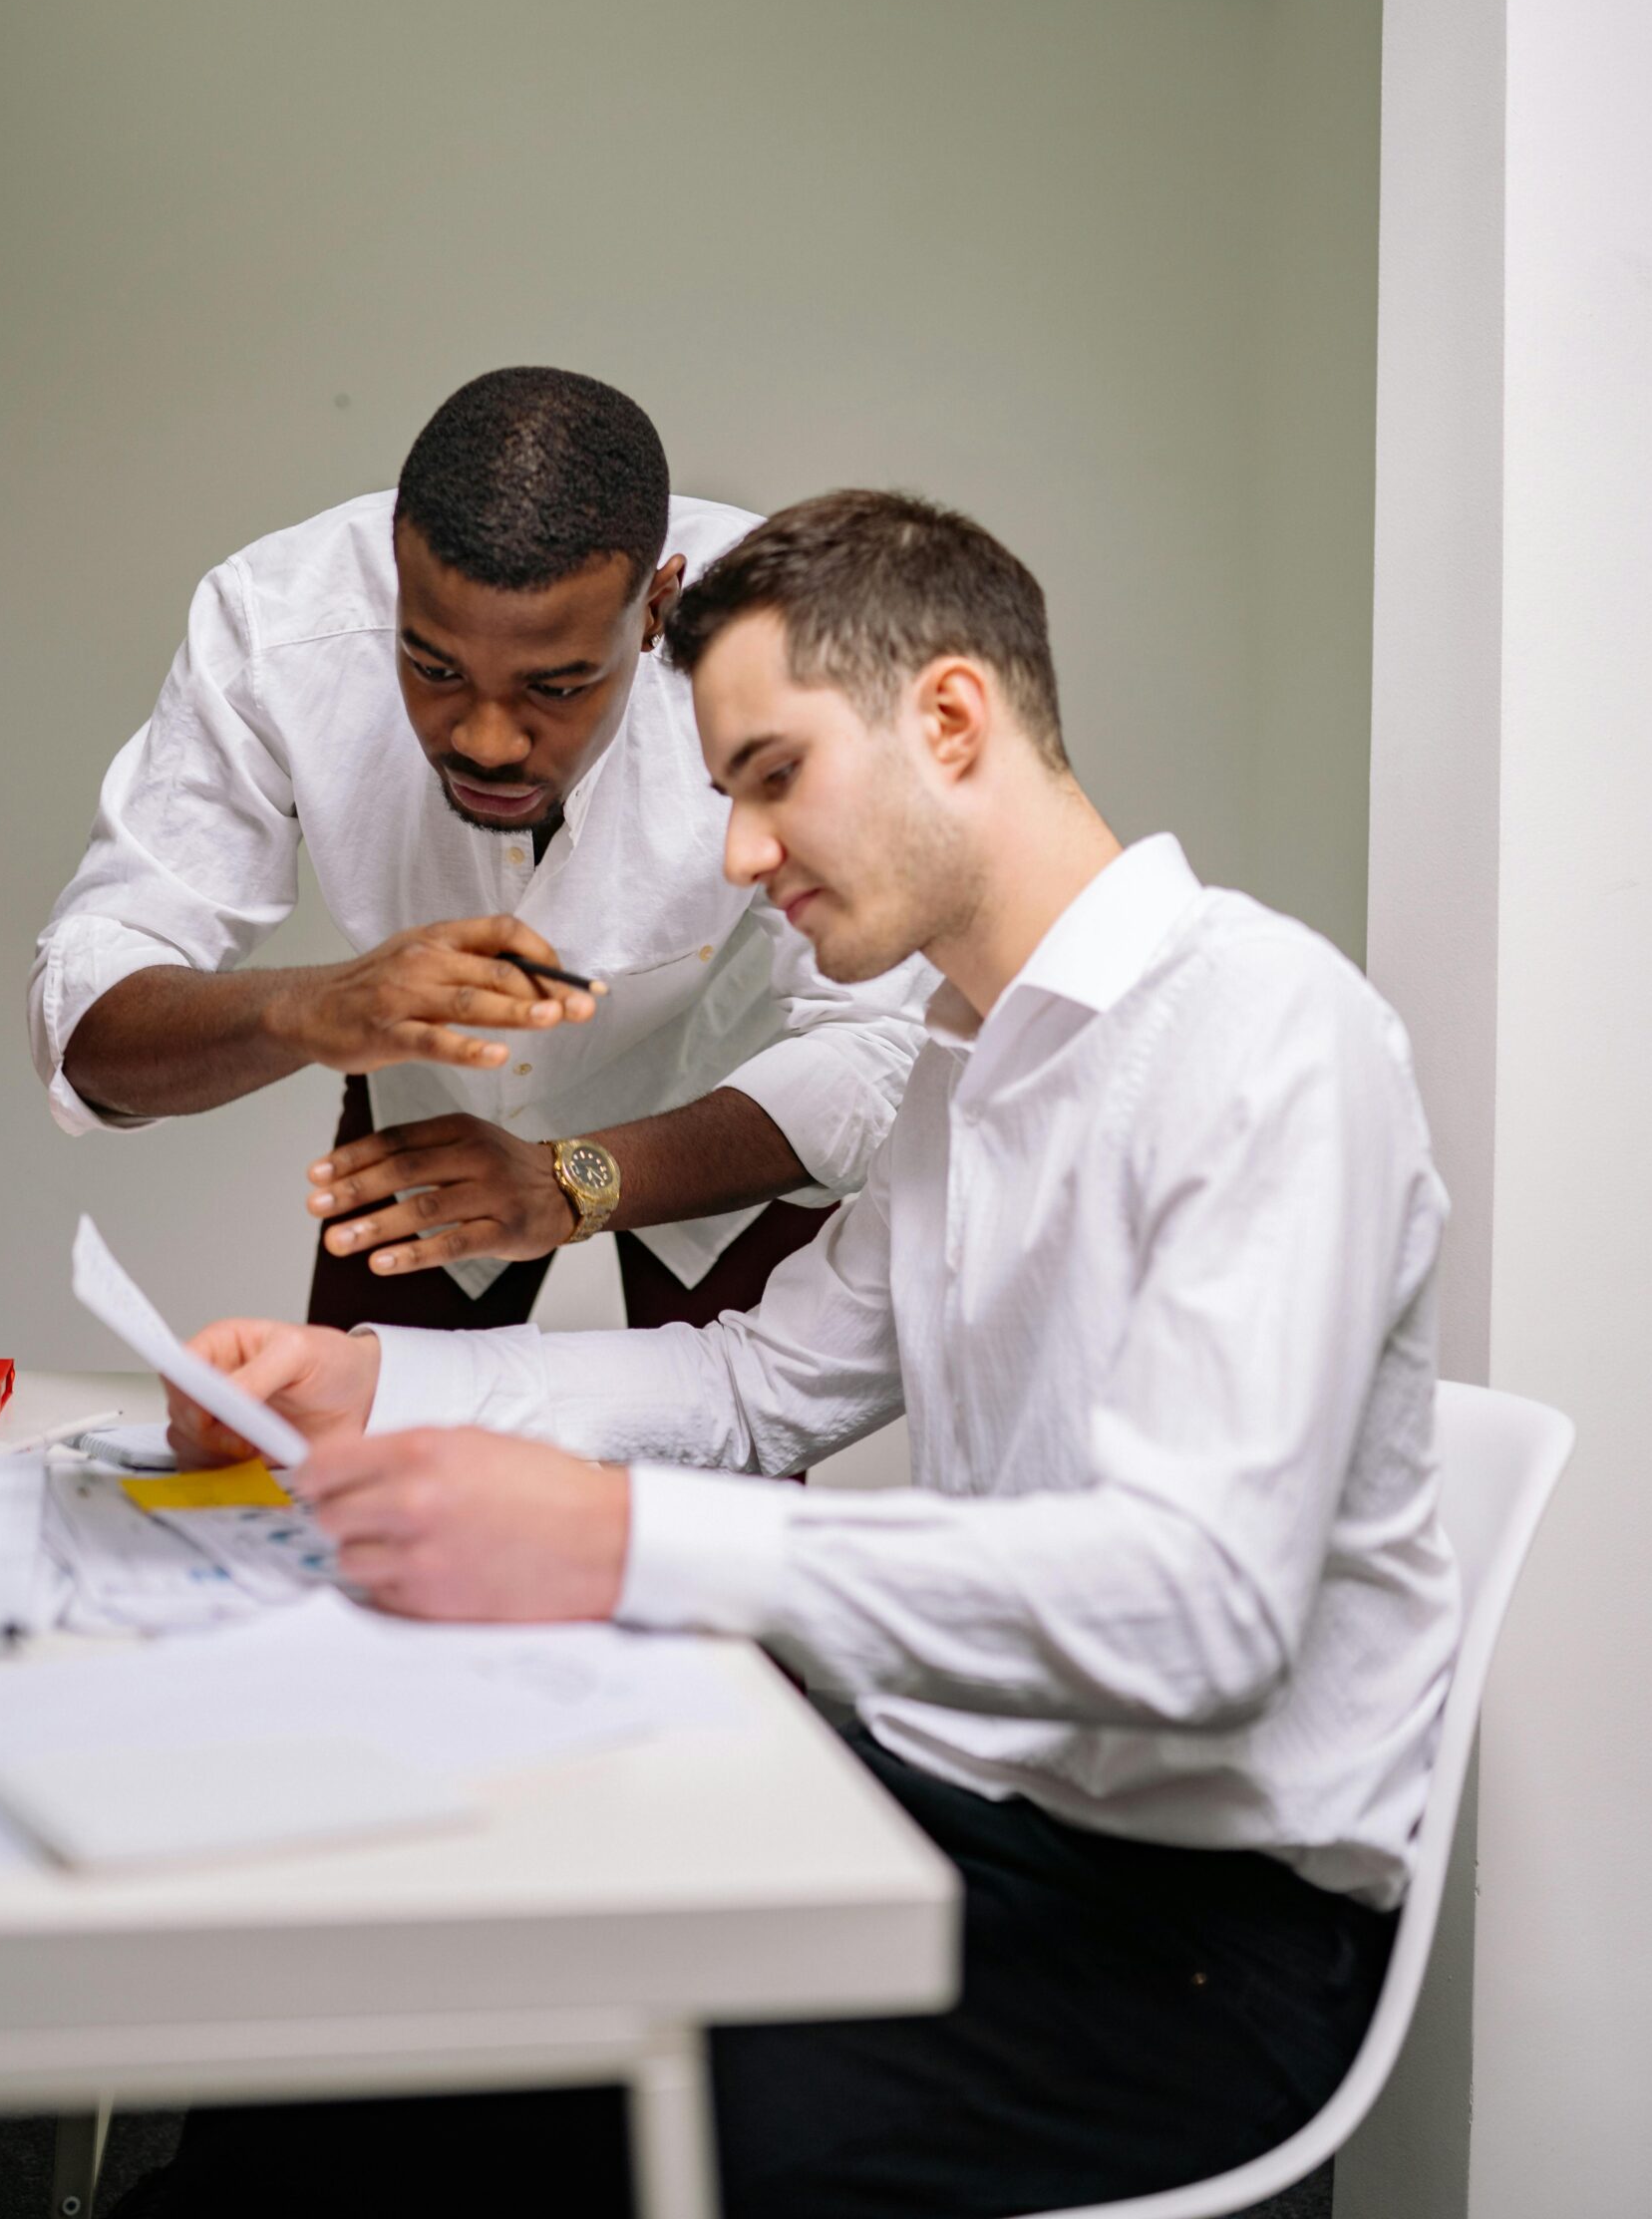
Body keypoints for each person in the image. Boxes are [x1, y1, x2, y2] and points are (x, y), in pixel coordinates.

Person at [131, 490, 1461, 2218]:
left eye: (770, 776)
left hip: (1184, 1959)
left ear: (953, 718)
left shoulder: (1270, 1037)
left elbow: (1199, 1611)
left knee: (456, 2117)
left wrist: (615, 1540)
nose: (743, 857)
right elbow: (761, 1387)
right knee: (356, 2028)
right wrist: (374, 1384)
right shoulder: (967, 1068)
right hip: (948, 1819)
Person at [30, 370, 929, 1341]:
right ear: (395, 572)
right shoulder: (274, 627)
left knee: (721, 1481)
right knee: (348, 1463)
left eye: (557, 684)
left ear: (657, 607)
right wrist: (304, 1010)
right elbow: (84, 1017)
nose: (489, 741)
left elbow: (883, 1044)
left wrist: (575, 1180)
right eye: (433, 667)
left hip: (734, 1104)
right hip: (431, 1107)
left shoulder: (801, 647)